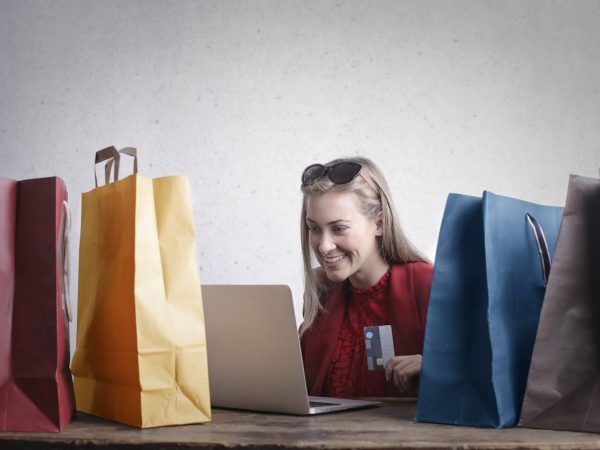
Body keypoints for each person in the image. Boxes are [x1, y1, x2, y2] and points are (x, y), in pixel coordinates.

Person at [299, 157, 433, 397]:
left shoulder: (425, 283)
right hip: (327, 433)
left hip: (404, 434)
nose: (324, 246)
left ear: (379, 223)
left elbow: (479, 369)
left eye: (339, 228)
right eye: (314, 228)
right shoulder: (321, 289)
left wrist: (436, 368)